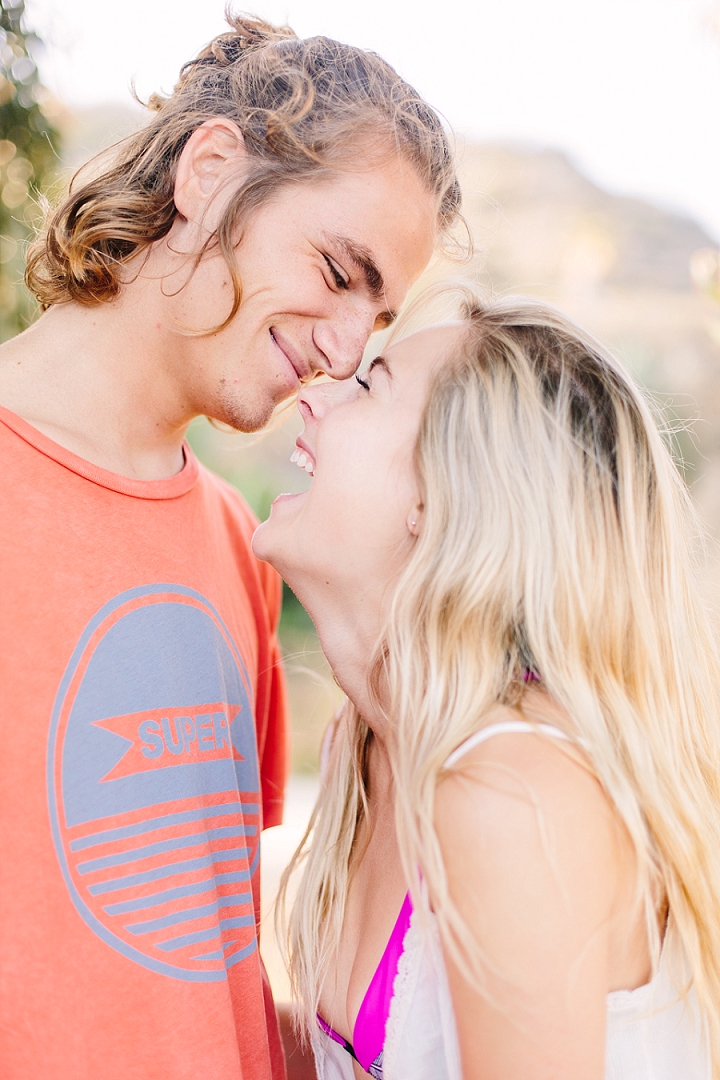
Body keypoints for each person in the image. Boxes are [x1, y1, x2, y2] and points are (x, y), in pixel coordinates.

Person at [0, 12, 461, 1080]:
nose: (346, 349)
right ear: (211, 172)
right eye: (339, 271)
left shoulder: (237, 544)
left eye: (379, 321)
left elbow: (193, 970)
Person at [253, 285, 720, 1080]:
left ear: (437, 498)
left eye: (369, 385)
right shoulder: (364, 749)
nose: (316, 397)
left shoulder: (510, 786)